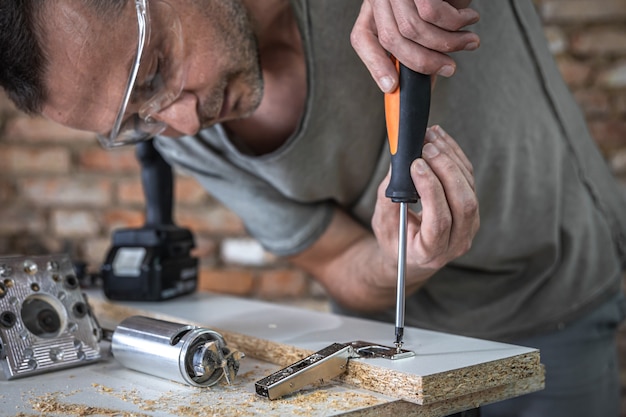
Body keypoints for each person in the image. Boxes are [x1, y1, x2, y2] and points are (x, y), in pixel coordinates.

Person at [1, 1, 625, 416]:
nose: (182, 122)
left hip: (557, 306)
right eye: (136, 120)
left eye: (156, 69)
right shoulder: (187, 136)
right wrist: (403, 258)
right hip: (399, 354)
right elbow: (345, 268)